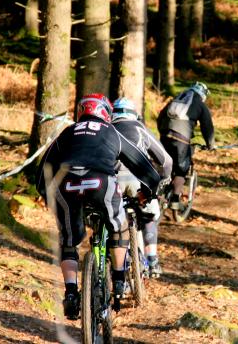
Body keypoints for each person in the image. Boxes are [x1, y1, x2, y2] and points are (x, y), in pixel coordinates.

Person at [35, 93, 161, 319]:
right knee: (119, 226)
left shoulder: (67, 132)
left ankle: (72, 292)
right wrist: (148, 191)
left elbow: (42, 173)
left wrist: (49, 197)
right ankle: (120, 280)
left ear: (81, 111)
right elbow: (142, 165)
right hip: (101, 183)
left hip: (67, 186)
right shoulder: (112, 132)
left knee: (69, 240)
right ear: (106, 113)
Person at [112, 97, 172, 278]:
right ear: (134, 114)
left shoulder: (107, 129)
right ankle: (152, 260)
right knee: (150, 215)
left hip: (111, 181)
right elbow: (165, 160)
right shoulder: (140, 128)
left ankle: (116, 262)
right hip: (137, 181)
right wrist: (164, 179)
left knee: (112, 219)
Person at [157, 82, 215, 208]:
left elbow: (160, 116)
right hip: (181, 139)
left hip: (164, 134)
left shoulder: (177, 99)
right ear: (203, 95)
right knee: (182, 168)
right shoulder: (200, 104)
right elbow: (207, 127)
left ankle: (158, 190)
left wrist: (162, 131)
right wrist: (210, 144)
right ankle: (175, 200)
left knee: (165, 163)